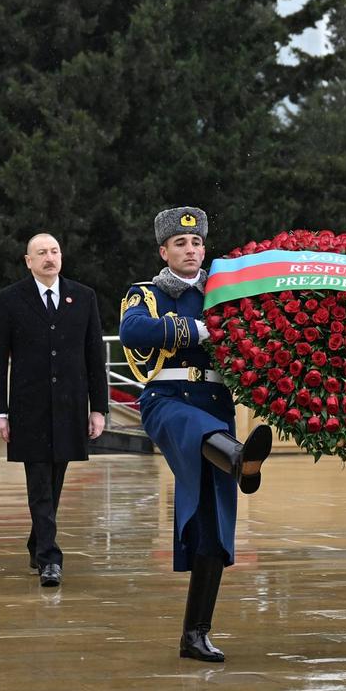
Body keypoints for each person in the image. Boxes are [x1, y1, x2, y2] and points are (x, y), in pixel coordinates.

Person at [118, 206, 273, 663]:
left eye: (197, 243)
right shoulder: (146, 293)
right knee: (196, 429)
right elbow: (133, 330)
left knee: (214, 525)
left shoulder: (224, 293)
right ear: (163, 250)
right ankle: (242, 457)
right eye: (181, 244)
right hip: (169, 401)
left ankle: (195, 633)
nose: (191, 250)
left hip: (216, 406)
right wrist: (197, 329)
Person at [0, 233, 108, 588]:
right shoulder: (10, 299)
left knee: (55, 481)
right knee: (39, 481)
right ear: (28, 261)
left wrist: (98, 408)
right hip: (29, 407)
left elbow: (94, 356)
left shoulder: (83, 297)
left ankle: (36, 540)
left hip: (71, 406)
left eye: (54, 251)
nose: (49, 258)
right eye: (41, 253)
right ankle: (49, 559)